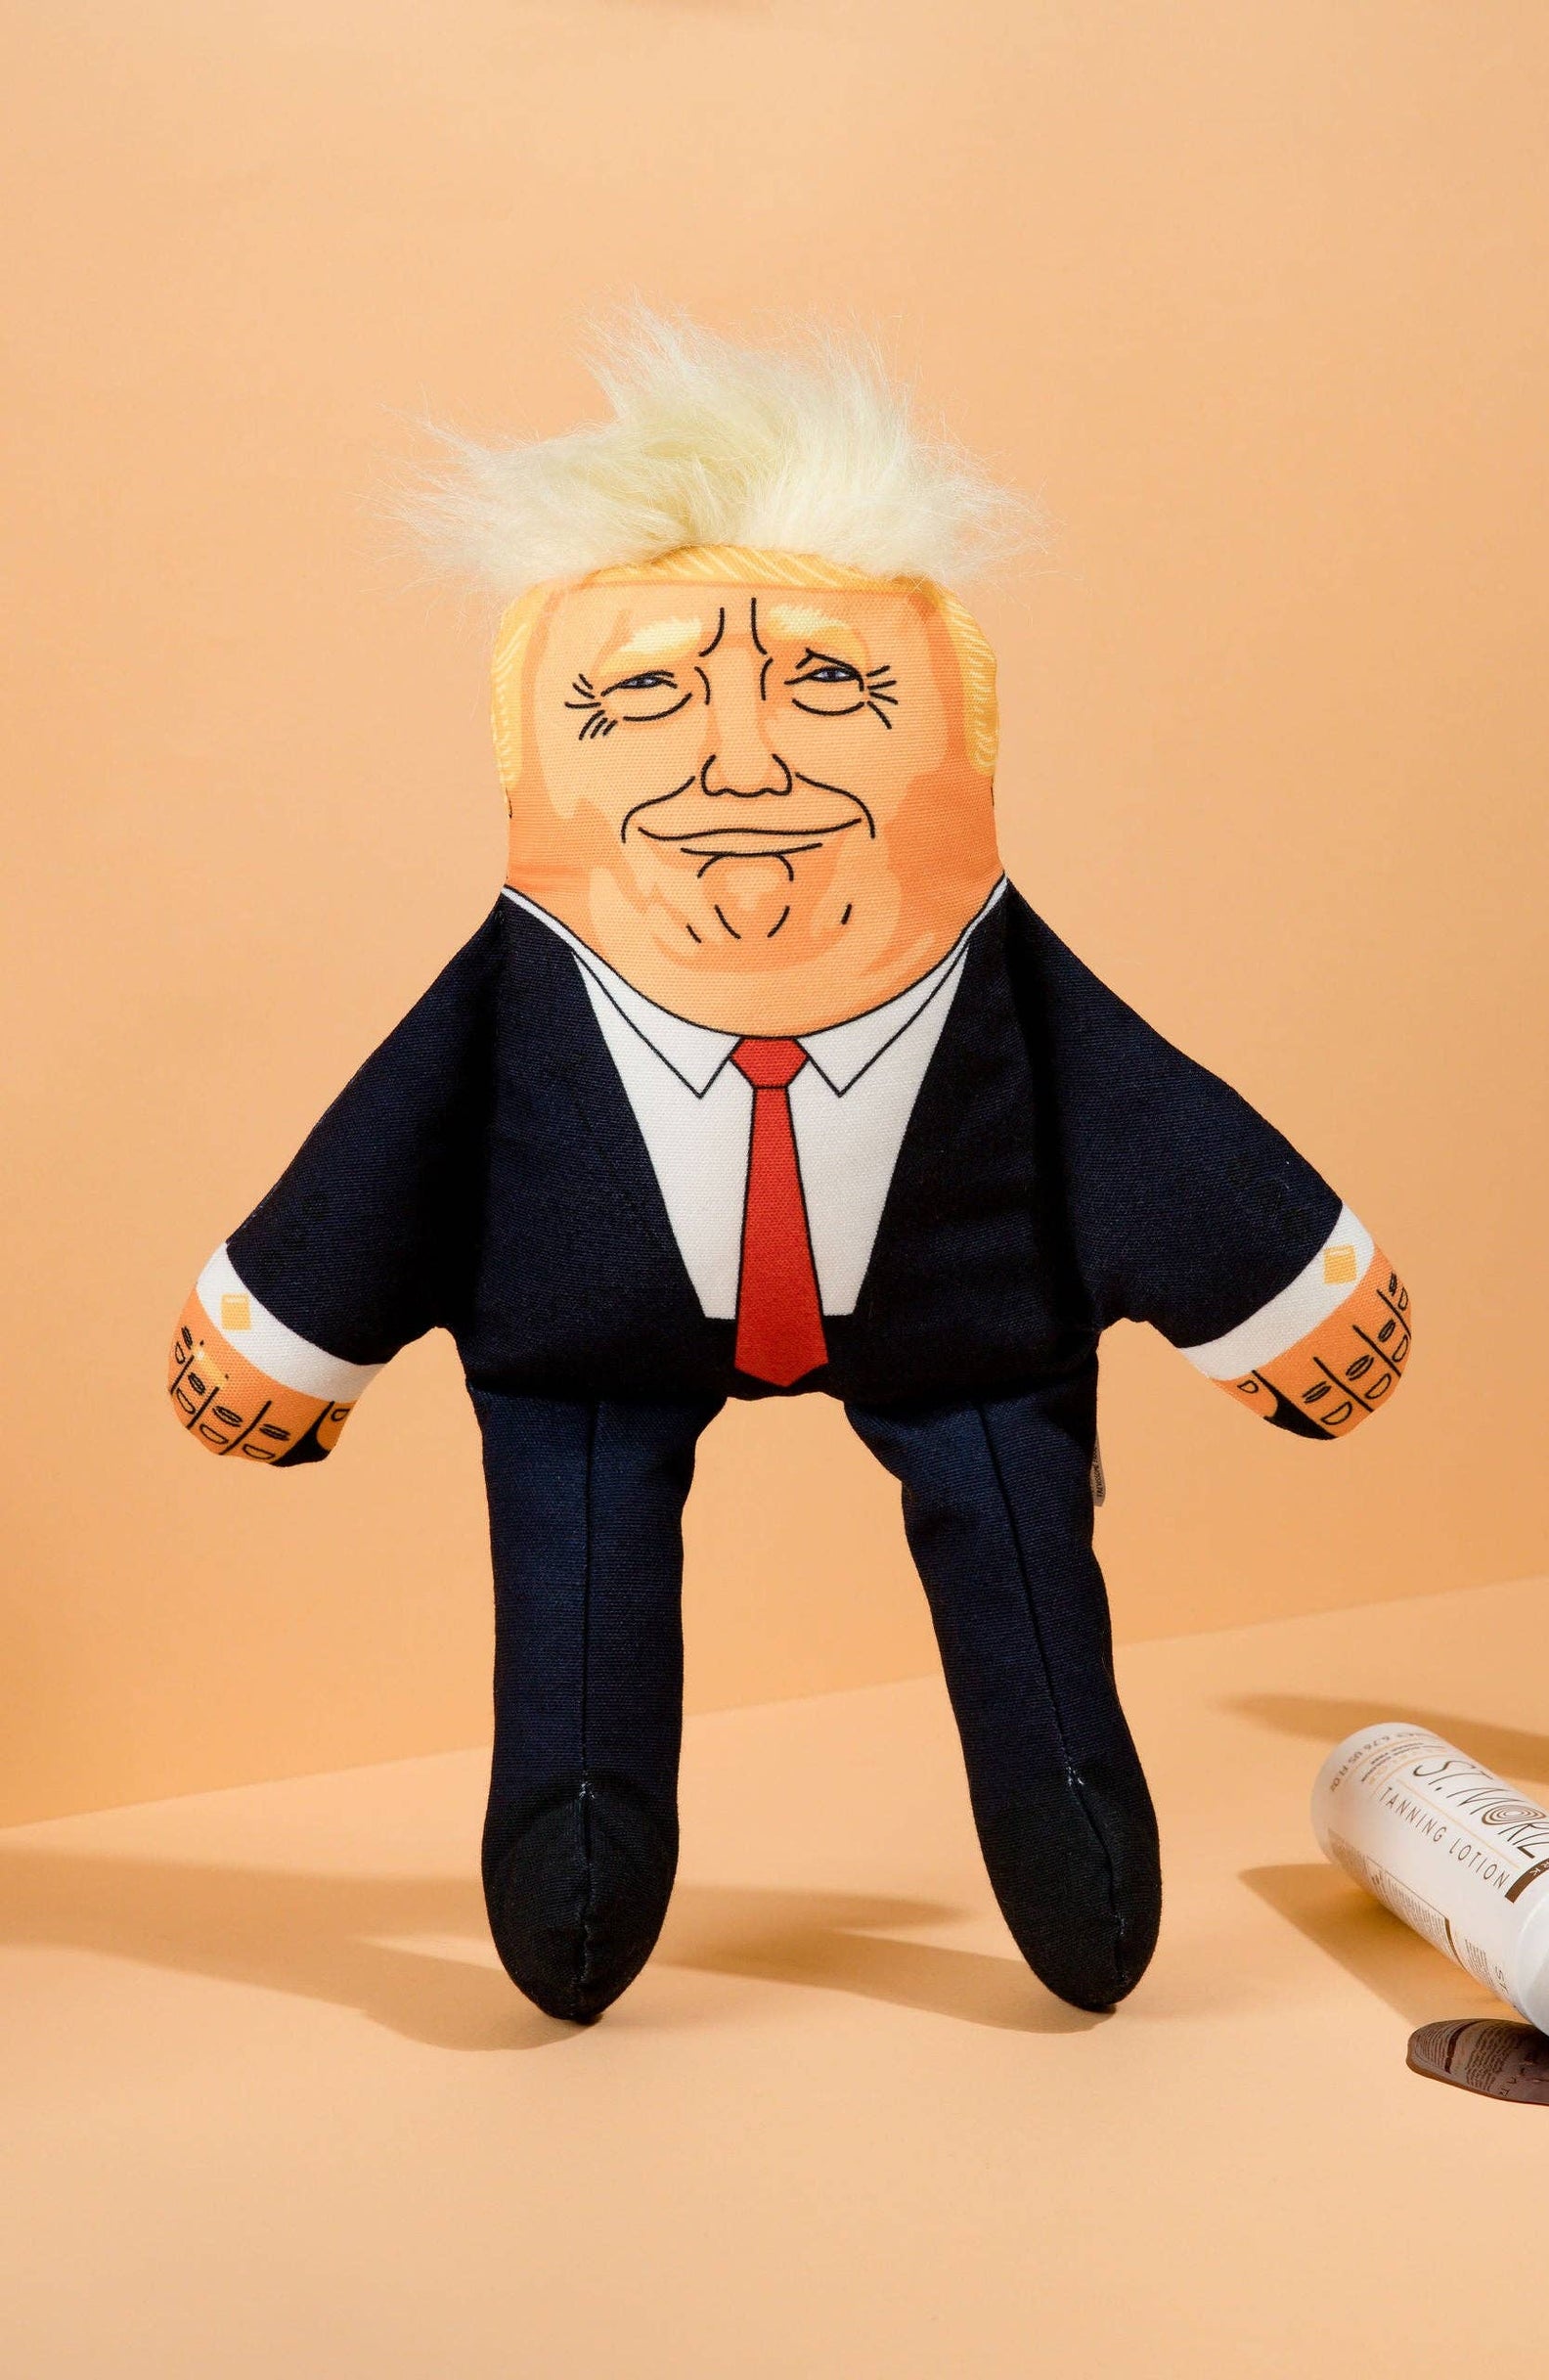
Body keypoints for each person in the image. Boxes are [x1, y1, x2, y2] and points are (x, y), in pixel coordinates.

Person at [169, 310, 1412, 2021]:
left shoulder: (1002, 980)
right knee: (578, 1572)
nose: (744, 761)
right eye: (647, 695)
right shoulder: (515, 992)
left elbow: (1141, 1112)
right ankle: (578, 1845)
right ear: (536, 758)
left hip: (967, 1338)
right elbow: (394, 1138)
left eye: (827, 685)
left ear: (957, 751)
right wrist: (284, 1328)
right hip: (587, 1351)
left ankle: (1065, 1823)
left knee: (1016, 1533)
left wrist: (1280, 1288)